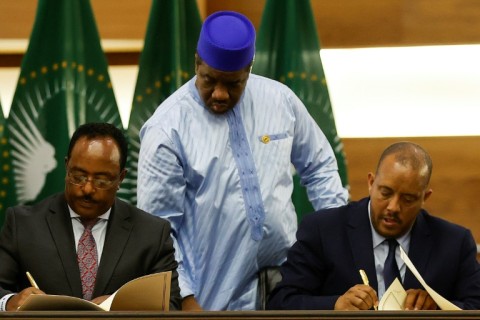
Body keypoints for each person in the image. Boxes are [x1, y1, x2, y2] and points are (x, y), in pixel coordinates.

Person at [137, 10, 348, 311]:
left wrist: (337, 245)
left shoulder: (281, 101)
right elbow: (158, 229)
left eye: (234, 83)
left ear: (248, 69)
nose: (220, 94)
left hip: (290, 285)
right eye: (209, 80)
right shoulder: (167, 128)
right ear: (196, 62)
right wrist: (183, 295)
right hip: (208, 295)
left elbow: (320, 167)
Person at [267, 142, 480, 310]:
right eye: (385, 193)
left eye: (407, 199)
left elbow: (475, 306)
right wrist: (335, 305)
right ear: (371, 183)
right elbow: (281, 301)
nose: (393, 207)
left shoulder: (454, 242)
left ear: (425, 197)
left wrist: (437, 308)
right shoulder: (324, 230)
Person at [0, 123, 181, 311]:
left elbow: (171, 305)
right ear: (66, 166)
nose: (87, 189)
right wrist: (9, 302)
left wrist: (124, 306)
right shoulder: (23, 225)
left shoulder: (152, 234)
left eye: (101, 181)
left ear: (120, 178)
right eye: (78, 177)